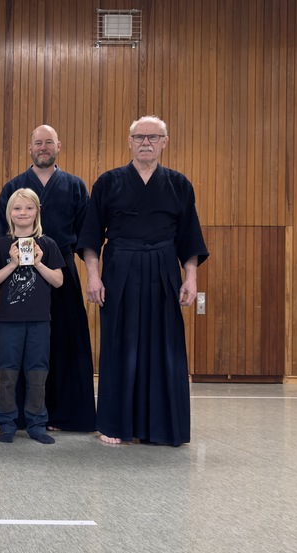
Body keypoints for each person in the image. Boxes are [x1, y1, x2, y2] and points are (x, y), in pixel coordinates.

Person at [78, 116, 208, 446]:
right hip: (120, 269)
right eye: (139, 137)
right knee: (119, 345)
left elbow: (190, 239)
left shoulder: (179, 184)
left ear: (165, 141)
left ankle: (161, 428)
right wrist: (93, 276)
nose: (146, 142)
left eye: (153, 137)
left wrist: (191, 279)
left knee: (165, 347)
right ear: (129, 142)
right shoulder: (107, 183)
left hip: (163, 269)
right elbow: (90, 236)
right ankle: (115, 424)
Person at [0, 124, 96, 432]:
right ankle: (21, 415)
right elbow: (3, 235)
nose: (43, 147)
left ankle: (65, 414)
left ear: (58, 146)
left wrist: (94, 275)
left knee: (65, 340)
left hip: (60, 266)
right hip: (20, 270)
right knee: (23, 344)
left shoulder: (75, 185)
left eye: (48, 142)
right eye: (38, 143)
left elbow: (86, 235)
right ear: (30, 148)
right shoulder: (13, 187)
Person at [0, 188, 65, 444]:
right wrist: (12, 263)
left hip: (39, 322)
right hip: (8, 322)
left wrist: (38, 263)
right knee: (7, 376)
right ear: (10, 212)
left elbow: (59, 281)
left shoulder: (47, 244)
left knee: (37, 375)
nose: (23, 213)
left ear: (37, 212)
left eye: (29, 208)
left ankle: (36, 423)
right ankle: (6, 423)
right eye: (17, 208)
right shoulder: (0, 245)